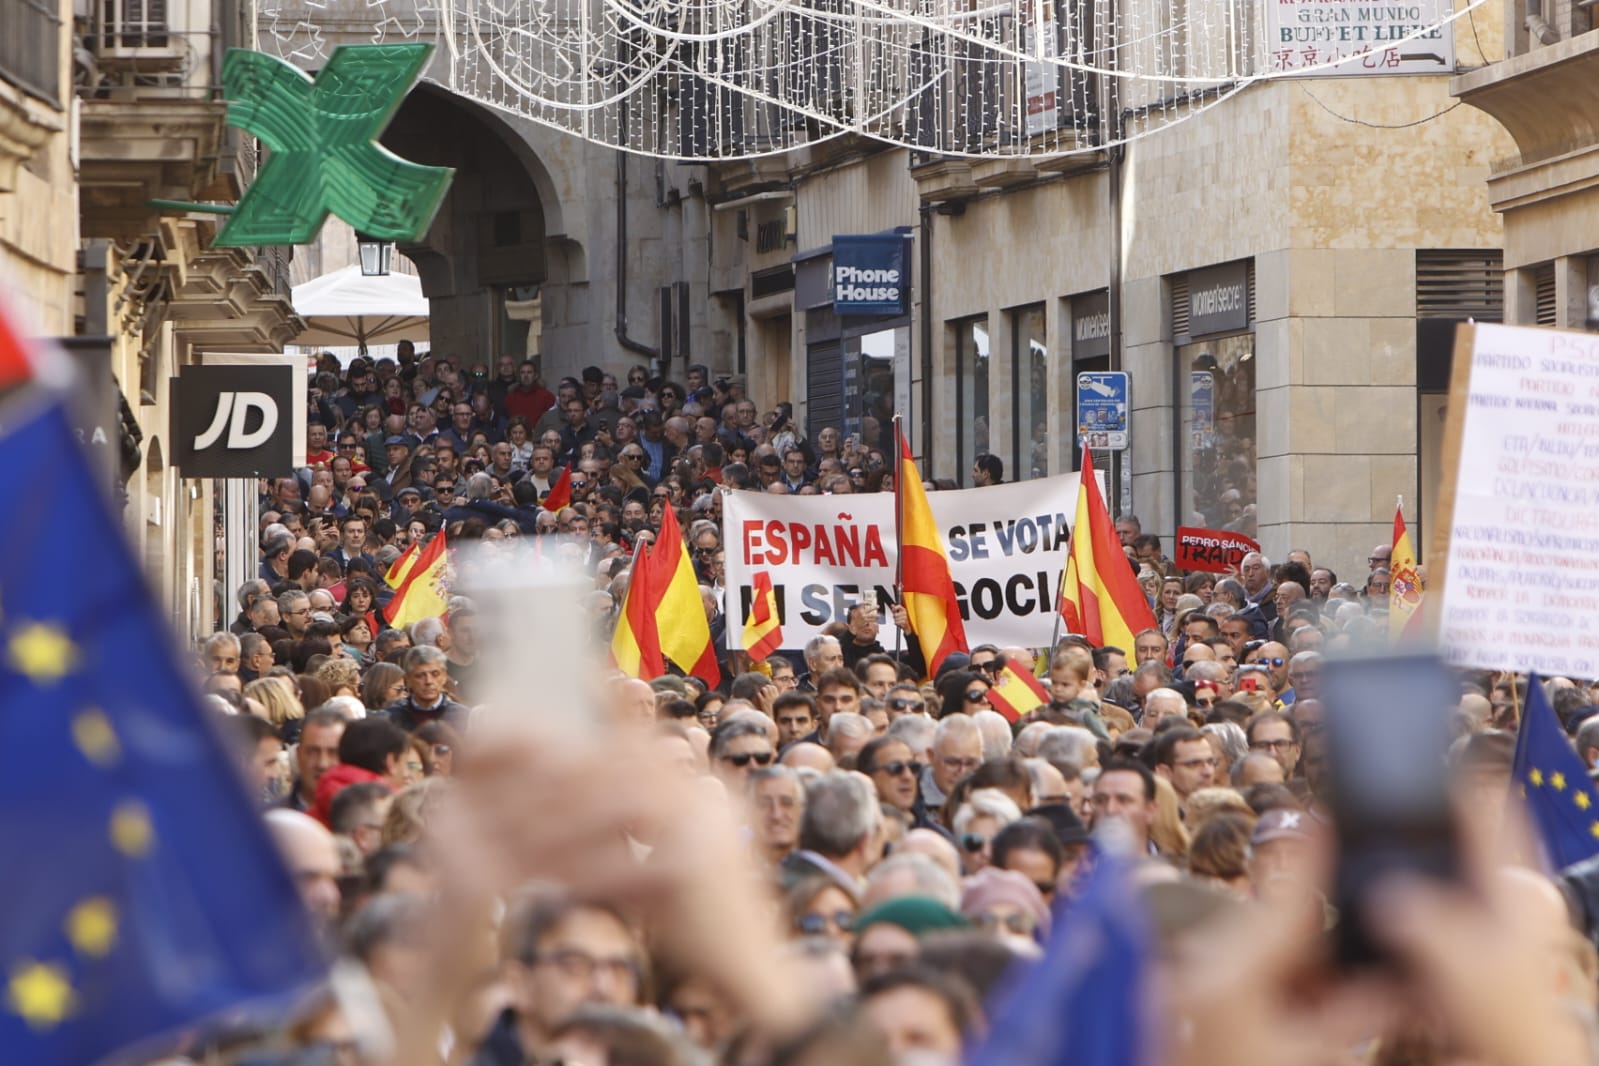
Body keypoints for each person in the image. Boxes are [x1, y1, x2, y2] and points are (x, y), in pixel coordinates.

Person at [384, 646, 470, 732]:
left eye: (435, 674)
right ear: (408, 680)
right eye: (420, 675)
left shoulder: (463, 716)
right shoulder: (392, 717)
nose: (428, 681)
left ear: (444, 677)